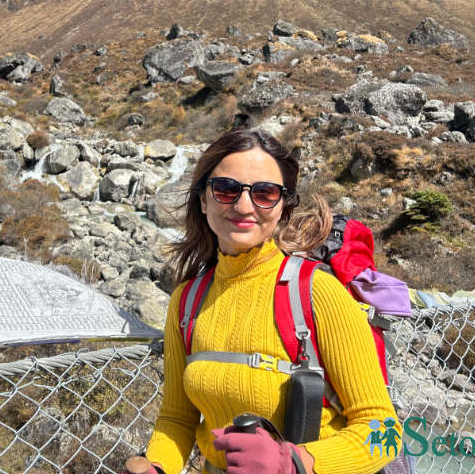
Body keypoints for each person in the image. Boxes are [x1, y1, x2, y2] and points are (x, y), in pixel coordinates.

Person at [121, 129, 400, 474]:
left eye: (264, 193)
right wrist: (157, 467)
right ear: (204, 199)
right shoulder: (187, 300)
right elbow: (177, 418)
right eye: (226, 189)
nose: (243, 206)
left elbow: (384, 432)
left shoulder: (316, 292)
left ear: (283, 206)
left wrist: (296, 463)